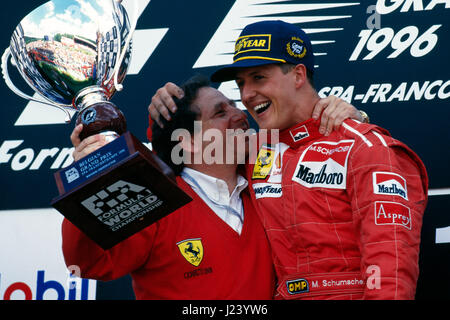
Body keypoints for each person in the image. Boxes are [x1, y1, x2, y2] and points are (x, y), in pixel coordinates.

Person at [149, 21, 428, 300]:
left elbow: (390, 270)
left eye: (258, 78)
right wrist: (162, 111)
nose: (246, 95)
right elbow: (191, 142)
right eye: (241, 83)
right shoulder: (253, 149)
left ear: (297, 75)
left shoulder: (365, 148)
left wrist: (357, 121)